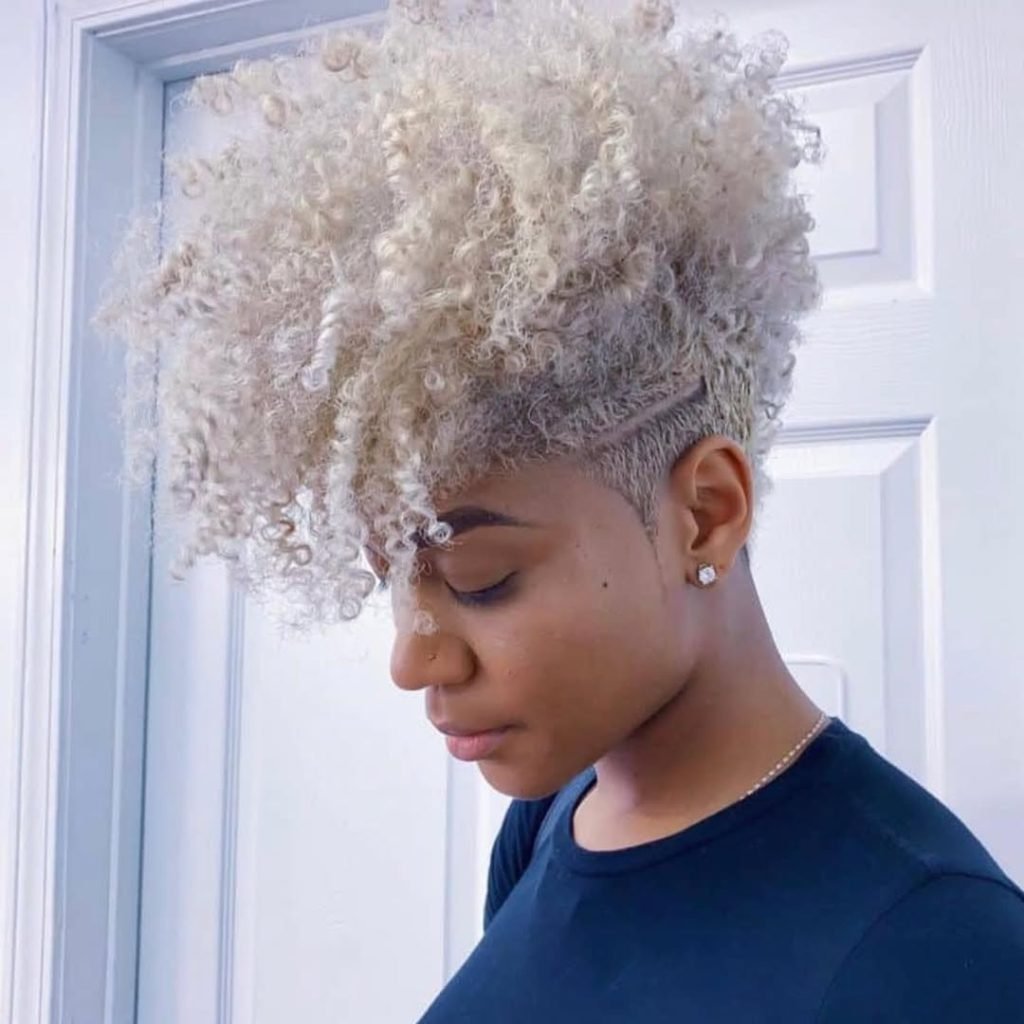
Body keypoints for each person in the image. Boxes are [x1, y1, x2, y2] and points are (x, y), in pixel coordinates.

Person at [95, 0, 1024, 1019]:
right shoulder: (555, 814)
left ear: (705, 513)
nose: (412, 660)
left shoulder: (936, 951)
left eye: (479, 578)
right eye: (385, 574)